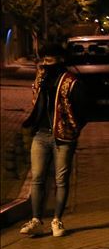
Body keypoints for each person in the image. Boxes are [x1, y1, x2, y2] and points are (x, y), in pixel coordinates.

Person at [19, 44, 86, 237]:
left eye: (50, 60)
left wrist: (73, 129)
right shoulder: (41, 78)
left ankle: (57, 220)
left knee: (61, 179)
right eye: (44, 59)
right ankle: (36, 219)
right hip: (41, 134)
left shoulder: (71, 81)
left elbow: (83, 111)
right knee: (37, 178)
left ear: (60, 60)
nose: (45, 63)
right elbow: (35, 102)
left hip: (64, 137)